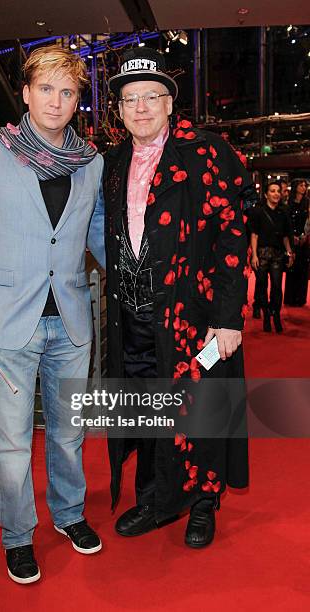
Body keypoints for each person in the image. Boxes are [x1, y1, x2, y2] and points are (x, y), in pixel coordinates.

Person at [0, 46, 105, 585]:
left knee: (69, 434)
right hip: (5, 324)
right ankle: (18, 536)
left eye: (67, 92)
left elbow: (98, 236)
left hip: (70, 320)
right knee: (12, 444)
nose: (57, 102)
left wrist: (147, 285)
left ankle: (68, 515)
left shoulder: (90, 161)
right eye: (46, 89)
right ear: (26, 93)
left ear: (76, 100)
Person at [103, 47, 253, 548]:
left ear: (170, 103)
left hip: (197, 317)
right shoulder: (114, 161)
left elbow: (233, 237)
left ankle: (202, 504)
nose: (141, 108)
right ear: (119, 110)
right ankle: (154, 497)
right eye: (130, 99)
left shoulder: (208, 151)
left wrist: (229, 318)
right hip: (136, 317)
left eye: (151, 97)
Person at [250, 182, 294, 332]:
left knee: (276, 286)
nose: (276, 194)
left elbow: (286, 237)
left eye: (278, 191)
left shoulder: (283, 213)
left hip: (277, 254)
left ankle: (275, 313)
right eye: (272, 191)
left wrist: (290, 253)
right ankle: (266, 314)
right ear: (266, 194)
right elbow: (254, 235)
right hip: (261, 254)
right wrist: (254, 255)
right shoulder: (258, 212)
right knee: (261, 286)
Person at [284, 179, 309, 306]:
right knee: (292, 268)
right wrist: (291, 235)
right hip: (291, 238)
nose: (304, 187)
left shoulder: (307, 203)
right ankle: (290, 298)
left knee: (303, 268)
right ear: (295, 187)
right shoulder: (288, 203)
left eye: (305, 185)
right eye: (301, 185)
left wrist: (305, 235)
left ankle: (301, 298)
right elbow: (286, 222)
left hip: (304, 239)